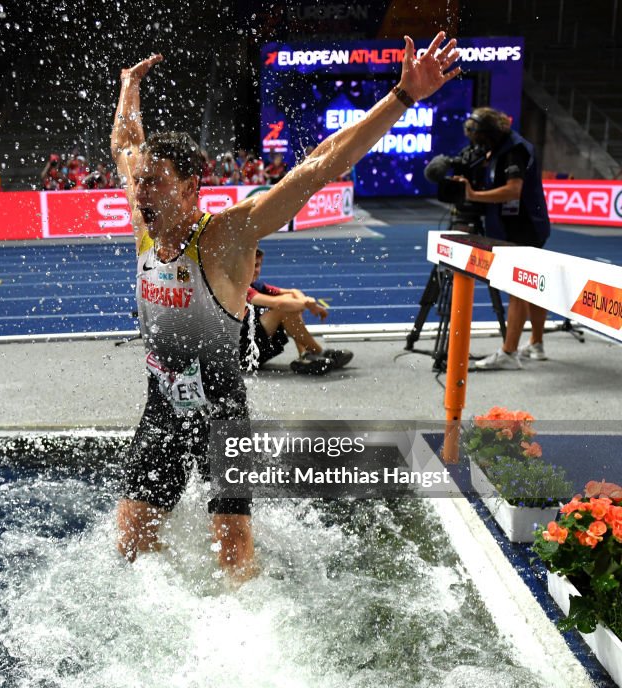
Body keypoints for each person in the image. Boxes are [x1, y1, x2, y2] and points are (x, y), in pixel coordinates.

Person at [112, 34, 460, 580]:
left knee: (232, 547)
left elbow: (317, 167)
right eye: (141, 185)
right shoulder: (144, 228)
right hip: (162, 407)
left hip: (220, 412)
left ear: (191, 189)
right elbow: (126, 143)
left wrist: (402, 97)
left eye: (156, 184)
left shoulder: (227, 236)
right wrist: (130, 87)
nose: (141, 195)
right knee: (131, 541)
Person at [454, 107, 552, 370]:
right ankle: (536, 343)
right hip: (519, 225)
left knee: (518, 288)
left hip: (524, 227)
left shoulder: (513, 150)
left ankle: (509, 353)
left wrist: (473, 195)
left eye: (478, 137)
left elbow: (513, 189)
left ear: (489, 133)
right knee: (530, 288)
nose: (476, 143)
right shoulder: (498, 149)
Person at [240, 248, 354, 375]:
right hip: (241, 356)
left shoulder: (257, 285)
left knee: (290, 303)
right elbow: (279, 303)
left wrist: (304, 302)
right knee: (283, 308)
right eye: (251, 265)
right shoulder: (239, 287)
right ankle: (318, 351)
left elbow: (293, 292)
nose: (255, 270)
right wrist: (308, 305)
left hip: (253, 348)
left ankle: (305, 355)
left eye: (257, 265)